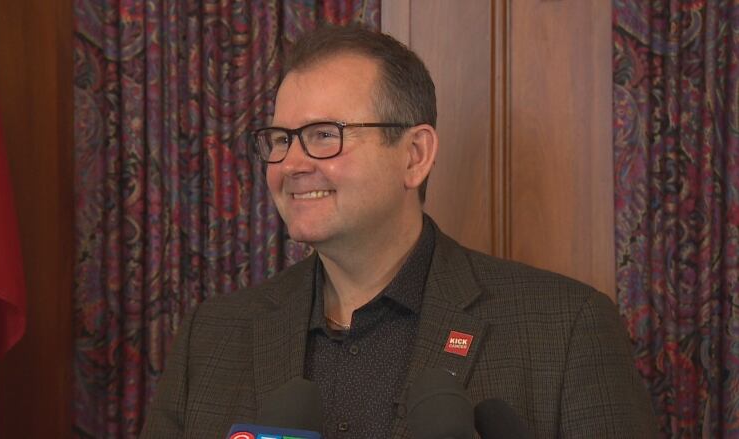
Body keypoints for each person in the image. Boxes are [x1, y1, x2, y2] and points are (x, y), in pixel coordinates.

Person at [140, 25, 657, 438]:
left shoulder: (565, 329)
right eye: (279, 138)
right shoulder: (212, 336)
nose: (290, 163)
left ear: (414, 156)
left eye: (324, 135)